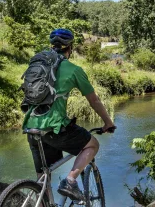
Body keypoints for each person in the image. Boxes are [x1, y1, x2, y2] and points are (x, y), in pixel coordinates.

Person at [22, 28, 116, 201]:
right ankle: (70, 181)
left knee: (43, 177)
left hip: (31, 126)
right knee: (92, 144)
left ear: (52, 46)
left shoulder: (38, 65)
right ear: (70, 47)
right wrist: (108, 122)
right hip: (54, 127)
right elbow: (94, 101)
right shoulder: (73, 69)